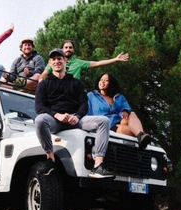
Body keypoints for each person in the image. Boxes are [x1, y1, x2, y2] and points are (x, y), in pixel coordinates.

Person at [35, 49, 114, 179]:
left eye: (59, 58)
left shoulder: (76, 82)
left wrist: (77, 116)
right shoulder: (44, 84)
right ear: (50, 63)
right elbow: (39, 107)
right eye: (53, 59)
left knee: (104, 121)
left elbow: (84, 104)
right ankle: (50, 160)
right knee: (39, 120)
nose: (57, 61)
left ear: (65, 61)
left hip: (75, 120)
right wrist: (56, 115)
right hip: (55, 121)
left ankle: (98, 166)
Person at [88, 73, 151, 149]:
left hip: (120, 120)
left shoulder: (118, 96)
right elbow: (88, 112)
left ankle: (141, 135)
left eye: (106, 80)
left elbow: (126, 107)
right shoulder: (91, 96)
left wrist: (125, 110)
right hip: (107, 124)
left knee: (132, 113)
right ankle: (141, 137)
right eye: (101, 80)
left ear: (111, 84)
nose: (102, 82)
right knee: (122, 129)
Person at [39, 40, 129, 80]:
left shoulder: (78, 62)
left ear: (73, 50)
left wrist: (115, 59)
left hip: (73, 91)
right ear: (62, 49)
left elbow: (97, 63)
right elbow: (43, 75)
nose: (68, 49)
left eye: (70, 47)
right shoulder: (55, 62)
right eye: (66, 47)